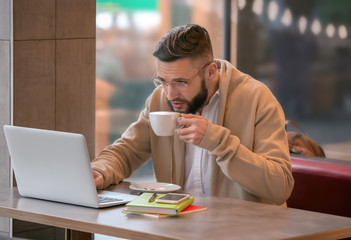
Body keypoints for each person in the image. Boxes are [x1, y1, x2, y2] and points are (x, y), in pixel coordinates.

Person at [91, 24, 294, 205]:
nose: (170, 94)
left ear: (211, 71)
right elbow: (127, 151)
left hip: (242, 230)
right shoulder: (160, 98)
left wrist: (218, 142)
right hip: (177, 226)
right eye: (162, 81)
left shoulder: (257, 99)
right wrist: (99, 171)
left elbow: (280, 187)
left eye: (181, 82)